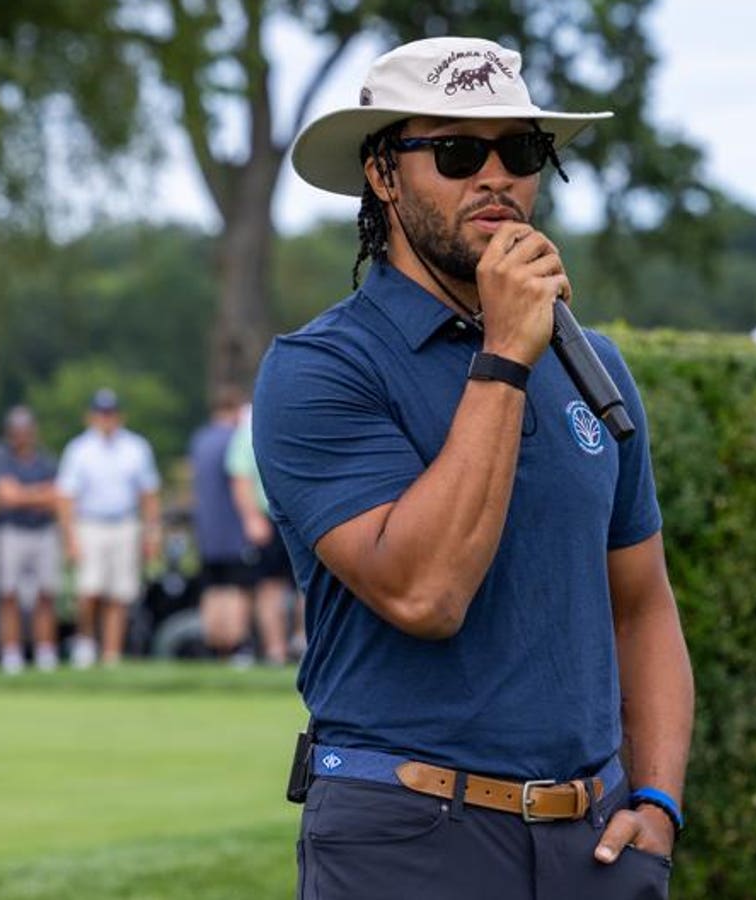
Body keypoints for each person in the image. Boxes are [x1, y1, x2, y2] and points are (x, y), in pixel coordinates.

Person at [255, 36, 694, 897]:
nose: (496, 177)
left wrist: (658, 804)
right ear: (384, 174)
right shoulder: (321, 369)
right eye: (457, 152)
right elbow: (425, 594)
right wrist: (504, 356)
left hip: (595, 842)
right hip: (407, 837)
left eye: (521, 150)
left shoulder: (591, 364)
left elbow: (641, 604)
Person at [55, 388, 161, 668]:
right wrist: (69, 537)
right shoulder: (79, 449)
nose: (106, 419)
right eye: (101, 413)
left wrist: (152, 533)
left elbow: (148, 494)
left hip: (125, 524)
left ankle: (111, 654)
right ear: (91, 416)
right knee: (89, 590)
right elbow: (66, 497)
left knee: (119, 594)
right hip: (90, 524)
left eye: (110, 413)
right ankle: (86, 643)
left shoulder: (136, 447)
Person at [225, 403, 301, 666]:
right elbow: (240, 478)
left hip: (301, 516)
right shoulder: (247, 431)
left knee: (306, 586)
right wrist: (252, 518)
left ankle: (303, 644)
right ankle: (275, 650)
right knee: (270, 587)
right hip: (268, 516)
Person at [0, 406, 62, 674]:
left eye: (25, 430)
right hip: (12, 532)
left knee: (46, 593)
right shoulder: (1, 461)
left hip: (43, 532)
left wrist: (22, 494)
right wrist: (38, 494)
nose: (21, 436)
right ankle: (11, 655)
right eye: (16, 431)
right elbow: (5, 496)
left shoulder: (47, 461)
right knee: (9, 594)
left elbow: (56, 497)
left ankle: (45, 653)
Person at [187, 387, 256, 665]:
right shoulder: (236, 439)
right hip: (233, 529)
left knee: (212, 588)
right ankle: (236, 646)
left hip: (206, 531)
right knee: (236, 588)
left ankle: (214, 648)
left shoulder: (200, 439)